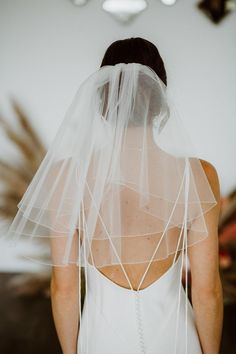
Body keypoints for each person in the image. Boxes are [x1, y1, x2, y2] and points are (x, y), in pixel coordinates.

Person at [6, 37, 223, 354]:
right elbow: (207, 293)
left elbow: (63, 289)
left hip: (101, 341)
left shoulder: (68, 176)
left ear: (102, 99)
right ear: (161, 96)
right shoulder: (199, 175)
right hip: (176, 340)